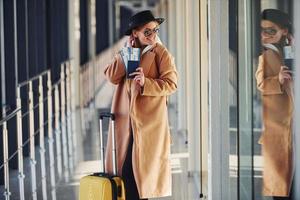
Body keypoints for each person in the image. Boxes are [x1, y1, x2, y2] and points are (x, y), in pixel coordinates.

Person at [104, 10, 178, 200]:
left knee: (141, 178)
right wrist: (126, 54)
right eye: (147, 32)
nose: (153, 36)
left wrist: (146, 83)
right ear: (134, 33)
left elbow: (172, 84)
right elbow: (112, 76)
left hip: (149, 123)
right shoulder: (128, 52)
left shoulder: (161, 53)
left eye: (155, 30)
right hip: (125, 122)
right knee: (125, 172)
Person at [255, 9, 294, 200]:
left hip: (288, 120)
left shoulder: (286, 52)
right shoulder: (265, 56)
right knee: (278, 175)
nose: (265, 35)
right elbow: (261, 83)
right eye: (262, 31)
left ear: (284, 31)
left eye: (271, 31)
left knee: (287, 171)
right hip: (275, 123)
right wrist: (277, 79)